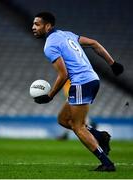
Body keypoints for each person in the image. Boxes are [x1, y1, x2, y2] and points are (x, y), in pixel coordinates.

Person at [32, 12, 124, 171]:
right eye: (33, 24)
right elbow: (94, 43)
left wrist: (50, 96)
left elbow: (63, 74)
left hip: (82, 82)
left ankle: (107, 163)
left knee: (77, 127)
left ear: (48, 26)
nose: (33, 27)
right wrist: (113, 63)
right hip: (90, 79)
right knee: (63, 119)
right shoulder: (67, 34)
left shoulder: (50, 45)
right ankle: (100, 135)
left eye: (37, 24)